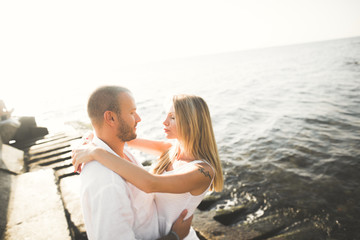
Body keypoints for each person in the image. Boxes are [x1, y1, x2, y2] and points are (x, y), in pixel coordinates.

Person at [73, 87, 224, 239]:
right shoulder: (171, 150)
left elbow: (150, 183)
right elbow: (124, 136)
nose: (164, 122)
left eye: (172, 117)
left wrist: (96, 153)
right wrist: (90, 137)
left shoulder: (202, 171)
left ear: (191, 122)